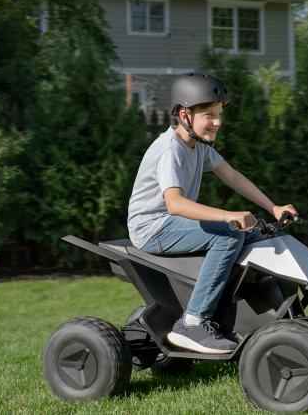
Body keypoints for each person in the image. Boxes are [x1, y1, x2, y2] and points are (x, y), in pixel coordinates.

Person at [127, 72, 297, 353]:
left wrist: (273, 207)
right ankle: (192, 323)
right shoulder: (171, 149)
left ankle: (247, 313)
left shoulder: (199, 146)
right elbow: (175, 203)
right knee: (227, 236)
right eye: (209, 115)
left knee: (254, 233)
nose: (217, 122)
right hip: (152, 228)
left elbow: (232, 176)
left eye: (219, 114)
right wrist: (226, 215)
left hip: (171, 223)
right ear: (185, 115)